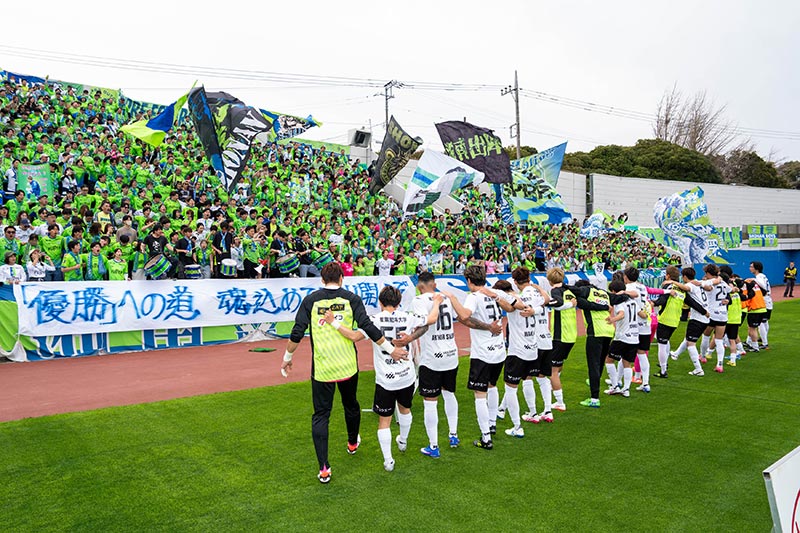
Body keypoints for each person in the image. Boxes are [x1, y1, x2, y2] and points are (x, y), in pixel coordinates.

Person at [279, 263, 407, 484]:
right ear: (341, 278)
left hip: (323, 369)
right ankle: (352, 443)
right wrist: (391, 349)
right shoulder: (351, 298)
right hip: (348, 366)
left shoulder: (311, 300)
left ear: (322, 280)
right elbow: (368, 327)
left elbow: (297, 332)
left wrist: (287, 357)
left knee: (321, 415)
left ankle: (324, 468)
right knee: (351, 404)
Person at [324, 285, 441, 472]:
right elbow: (432, 319)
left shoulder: (374, 320)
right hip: (406, 375)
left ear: (380, 302)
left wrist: (333, 322)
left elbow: (354, 336)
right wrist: (436, 303)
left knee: (384, 420)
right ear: (399, 302)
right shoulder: (408, 316)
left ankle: (388, 461)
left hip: (386, 379)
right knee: (405, 409)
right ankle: (403, 441)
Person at [445, 265, 517, 450]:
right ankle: (492, 423)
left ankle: (486, 437)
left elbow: (464, 314)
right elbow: (510, 308)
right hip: (498, 349)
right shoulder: (493, 292)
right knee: (492, 386)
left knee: (480, 394)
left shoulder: (474, 296)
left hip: (483, 353)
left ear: (469, 281)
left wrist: (453, 298)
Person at [402, 272, 462, 458]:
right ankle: (453, 435)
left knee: (430, 401)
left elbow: (425, 325)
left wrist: (409, 337)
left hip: (432, 358)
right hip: (451, 354)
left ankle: (433, 445)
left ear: (419, 287)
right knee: (449, 393)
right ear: (434, 284)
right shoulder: (446, 297)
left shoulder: (419, 300)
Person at [493, 274, 541, 436]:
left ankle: (517, 427)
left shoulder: (513, 301)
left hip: (517, 351)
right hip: (532, 348)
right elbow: (545, 302)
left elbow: (509, 307)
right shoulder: (530, 298)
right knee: (527, 380)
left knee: (511, 388)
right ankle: (531, 412)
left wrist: (497, 297)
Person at [546, 267, 577, 413]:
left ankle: (559, 402)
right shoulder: (569, 291)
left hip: (560, 335)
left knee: (552, 370)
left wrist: (546, 303)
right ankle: (553, 384)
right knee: (559, 364)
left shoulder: (555, 291)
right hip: (571, 334)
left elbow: (557, 304)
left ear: (550, 280)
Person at [670, 268, 712, 376]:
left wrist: (672, 281)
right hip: (704, 318)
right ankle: (676, 354)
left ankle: (698, 369)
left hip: (698, 318)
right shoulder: (698, 283)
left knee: (691, 344)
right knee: (688, 337)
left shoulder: (691, 285)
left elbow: (686, 287)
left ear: (685, 276)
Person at [604, 279, 642, 397]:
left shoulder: (619, 302)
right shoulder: (633, 301)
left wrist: (612, 319)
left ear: (614, 291)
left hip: (622, 336)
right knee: (627, 363)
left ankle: (615, 386)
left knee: (609, 360)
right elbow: (642, 314)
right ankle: (626, 389)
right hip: (634, 336)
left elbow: (621, 314)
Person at [746, 261, 772, 349]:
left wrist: (754, 280)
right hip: (767, 300)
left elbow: (763, 286)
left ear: (756, 268)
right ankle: (750, 341)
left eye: (751, 267)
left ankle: (764, 342)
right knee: (764, 322)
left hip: (764, 301)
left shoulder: (759, 277)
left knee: (760, 323)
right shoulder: (762, 276)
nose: (750, 268)